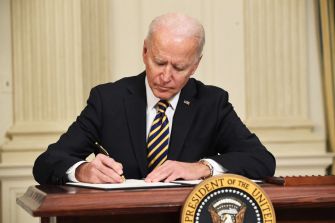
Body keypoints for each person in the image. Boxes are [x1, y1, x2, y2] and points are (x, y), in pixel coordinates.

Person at [33, 13, 276, 185]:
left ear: (195, 65)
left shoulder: (212, 103)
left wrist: (201, 168)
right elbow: (46, 163)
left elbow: (261, 160)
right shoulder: (108, 100)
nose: (166, 76)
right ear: (145, 52)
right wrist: (83, 171)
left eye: (179, 67)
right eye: (159, 62)